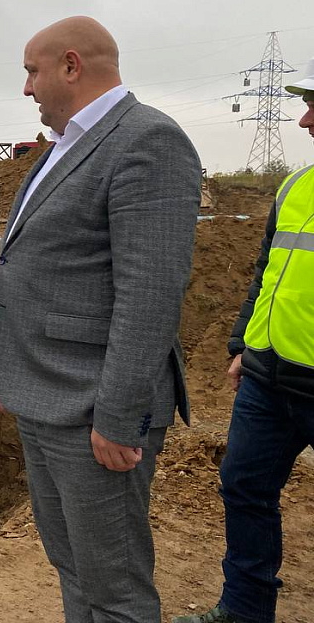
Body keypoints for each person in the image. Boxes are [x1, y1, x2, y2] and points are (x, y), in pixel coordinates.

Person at [0, 16, 201, 622]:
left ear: (71, 65)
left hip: (93, 410)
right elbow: (40, 267)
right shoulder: (64, 146)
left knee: (114, 588)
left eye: (32, 71)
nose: (27, 87)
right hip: (42, 395)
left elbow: (150, 294)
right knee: (73, 567)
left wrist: (119, 418)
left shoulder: (148, 141)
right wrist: (1, 364)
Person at [173, 62, 314, 623]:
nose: (305, 121)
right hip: (268, 377)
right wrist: (241, 344)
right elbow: (266, 273)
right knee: (244, 488)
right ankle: (245, 611)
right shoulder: (296, 186)